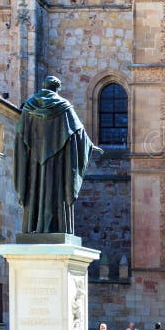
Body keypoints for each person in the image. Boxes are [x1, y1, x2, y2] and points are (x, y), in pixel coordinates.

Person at [14, 76, 102, 234]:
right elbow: (77, 133)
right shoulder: (64, 107)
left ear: (44, 86)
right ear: (57, 88)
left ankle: (33, 227)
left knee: (35, 188)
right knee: (56, 191)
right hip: (58, 164)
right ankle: (57, 228)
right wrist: (90, 146)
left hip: (34, 165)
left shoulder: (28, 108)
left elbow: (20, 135)